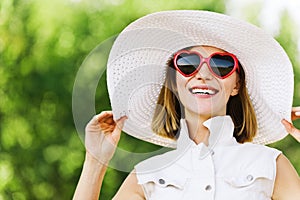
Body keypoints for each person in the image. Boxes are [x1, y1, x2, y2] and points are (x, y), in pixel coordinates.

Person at [73, 10, 300, 199]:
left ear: (236, 85)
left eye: (220, 65)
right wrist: (96, 161)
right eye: (188, 63)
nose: (203, 74)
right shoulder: (146, 176)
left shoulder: (270, 165)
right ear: (174, 81)